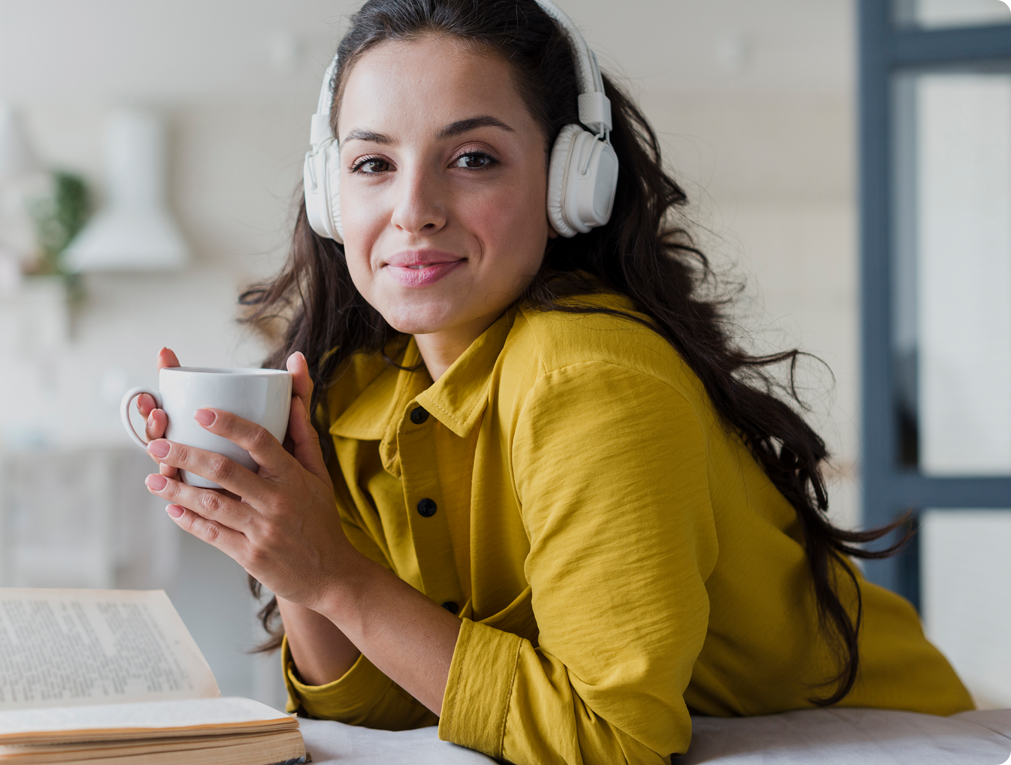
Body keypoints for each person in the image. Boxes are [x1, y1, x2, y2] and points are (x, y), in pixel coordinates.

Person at [135, 1, 973, 762]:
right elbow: (395, 703)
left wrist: (336, 576)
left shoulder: (591, 377)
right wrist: (289, 553)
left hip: (889, 741)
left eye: (471, 157)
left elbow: (612, 737)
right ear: (329, 193)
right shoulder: (358, 387)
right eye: (372, 164)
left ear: (571, 183)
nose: (414, 208)